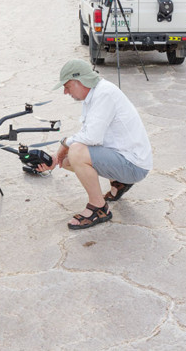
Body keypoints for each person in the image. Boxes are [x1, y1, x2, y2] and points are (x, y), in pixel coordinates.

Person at [37, 60, 152, 230]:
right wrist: (56, 158)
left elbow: (91, 137)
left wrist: (64, 144)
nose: (65, 92)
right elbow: (88, 136)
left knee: (76, 152)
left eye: (67, 86)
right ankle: (119, 182)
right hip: (124, 156)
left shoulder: (104, 94)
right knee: (68, 160)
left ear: (80, 81)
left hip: (133, 165)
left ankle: (99, 208)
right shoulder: (94, 94)